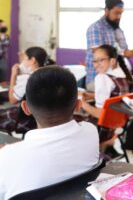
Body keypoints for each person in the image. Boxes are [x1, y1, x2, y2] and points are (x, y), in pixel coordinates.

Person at [0, 66, 99, 199]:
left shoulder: (7, 158)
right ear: (78, 105)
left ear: (26, 108)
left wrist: (7, 152)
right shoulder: (91, 132)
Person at [81, 44, 133, 143]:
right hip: (115, 129)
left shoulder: (102, 78)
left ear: (112, 61)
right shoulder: (122, 76)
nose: (96, 64)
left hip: (100, 131)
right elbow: (112, 97)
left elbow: (100, 114)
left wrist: (82, 103)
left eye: (101, 60)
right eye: (95, 61)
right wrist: (90, 95)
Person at [85, 0, 133, 91]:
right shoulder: (96, 28)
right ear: (107, 10)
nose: (119, 17)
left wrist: (130, 52)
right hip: (97, 79)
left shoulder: (118, 30)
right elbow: (99, 52)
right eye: (116, 13)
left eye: (121, 13)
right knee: (119, 90)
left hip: (115, 76)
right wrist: (124, 52)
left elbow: (123, 52)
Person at [0, 47, 55, 133]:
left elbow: (12, 100)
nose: (22, 61)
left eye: (24, 58)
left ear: (32, 60)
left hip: (27, 121)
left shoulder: (29, 79)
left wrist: (13, 75)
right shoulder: (49, 75)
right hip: (43, 118)